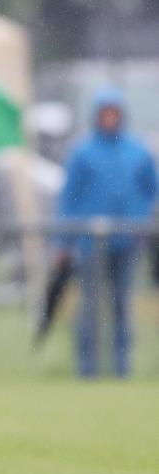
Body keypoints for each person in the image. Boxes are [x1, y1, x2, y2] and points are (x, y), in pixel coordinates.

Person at [58, 87, 156, 378]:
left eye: (114, 113)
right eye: (105, 113)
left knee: (121, 307)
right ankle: (86, 369)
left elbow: (151, 190)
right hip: (90, 243)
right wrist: (63, 241)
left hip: (127, 242)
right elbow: (69, 198)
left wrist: (139, 218)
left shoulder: (137, 151)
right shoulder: (83, 152)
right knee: (89, 308)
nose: (110, 119)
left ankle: (120, 368)